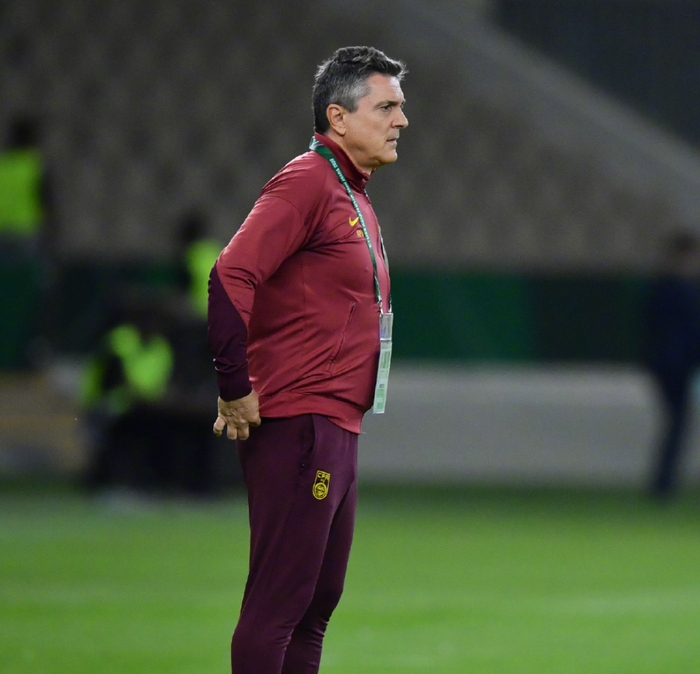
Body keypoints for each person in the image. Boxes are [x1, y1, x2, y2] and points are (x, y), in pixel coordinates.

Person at [207, 46, 408, 674]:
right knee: (279, 606)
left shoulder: (354, 194)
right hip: (300, 420)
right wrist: (234, 386)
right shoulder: (308, 181)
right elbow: (230, 274)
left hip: (337, 424)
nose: (401, 120)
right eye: (386, 107)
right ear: (338, 117)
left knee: (315, 606)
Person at [645, 231, 700, 499]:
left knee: (678, 423)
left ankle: (665, 483)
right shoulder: (670, 288)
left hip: (676, 364)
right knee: (678, 422)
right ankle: (663, 484)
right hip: (673, 366)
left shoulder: (673, 287)